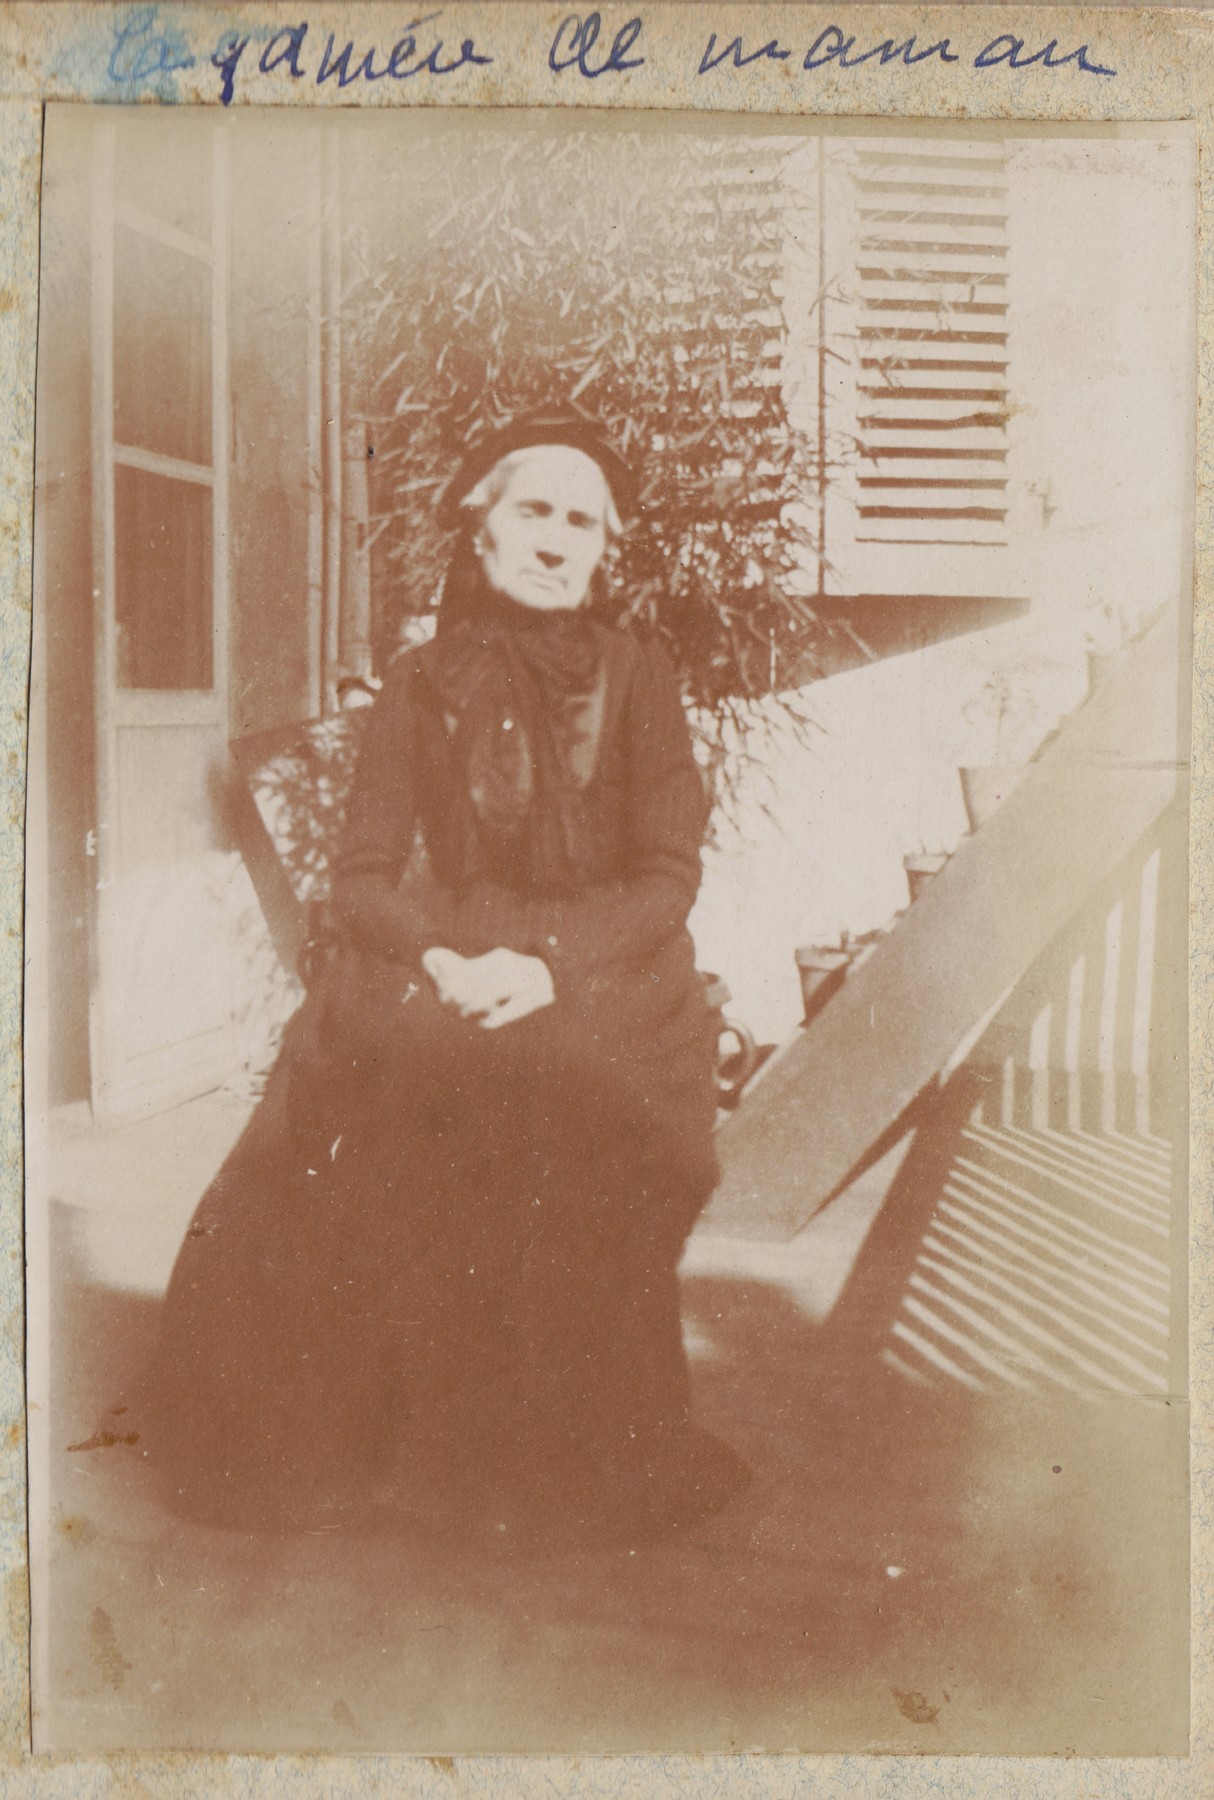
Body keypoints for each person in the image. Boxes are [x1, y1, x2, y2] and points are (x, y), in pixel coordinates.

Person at [153, 407, 748, 1544]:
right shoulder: (419, 681)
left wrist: (547, 964)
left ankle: (545, 1461)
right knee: (368, 1078)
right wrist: (440, 957)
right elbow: (363, 878)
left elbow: (667, 877)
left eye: (581, 523)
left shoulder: (641, 678)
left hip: (603, 960)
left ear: (603, 551)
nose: (555, 540)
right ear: (482, 531)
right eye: (534, 512)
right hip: (450, 950)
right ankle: (357, 1437)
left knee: (572, 1088)